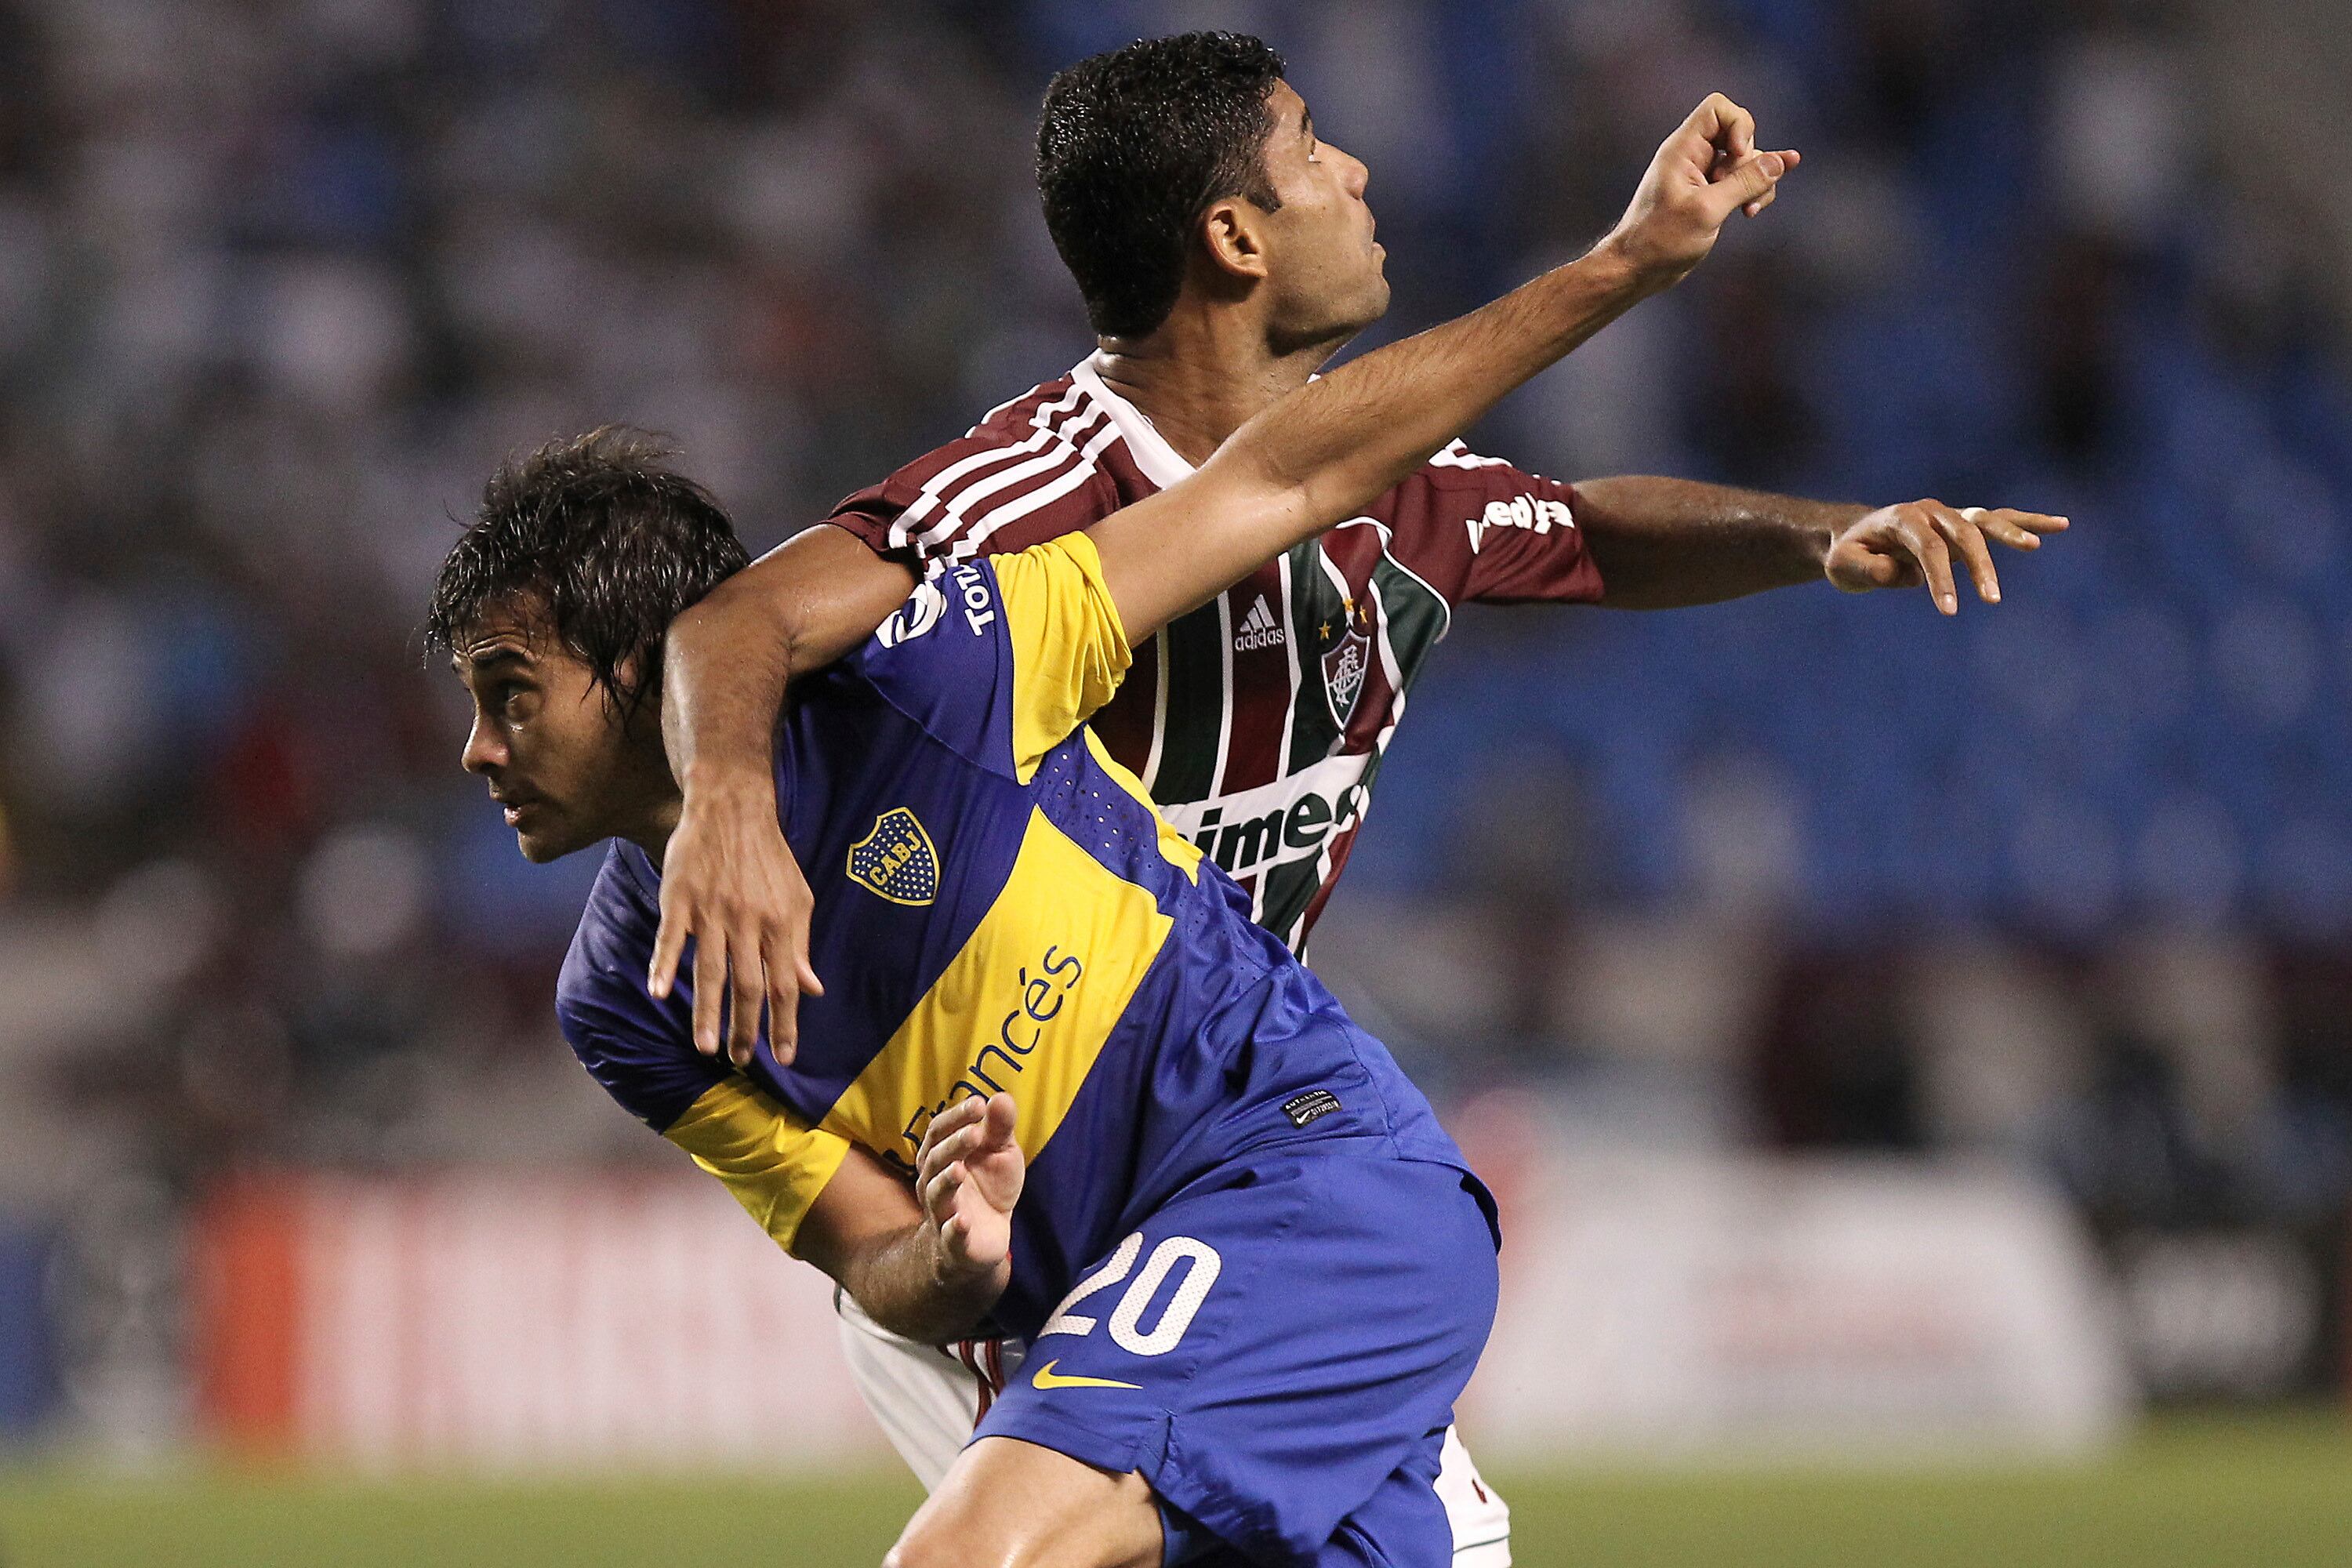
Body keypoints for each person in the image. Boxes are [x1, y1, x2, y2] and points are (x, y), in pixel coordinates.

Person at [647, 31, 2069, 1553]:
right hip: (1038, 1202)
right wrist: (728, 799)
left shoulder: (1391, 486)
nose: (1361, 173)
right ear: (1236, 235)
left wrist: (1817, 535)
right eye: (1316, 150)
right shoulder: (1030, 496)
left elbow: (1580, 529)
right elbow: (736, 620)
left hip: (1235, 1178)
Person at [433, 99, 1796, 1566]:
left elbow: (1287, 478)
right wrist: (948, 1254)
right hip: (1087, 1295)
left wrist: (1627, 264)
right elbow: (865, 1262)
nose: (479, 750)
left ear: (638, 666)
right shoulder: (619, 1006)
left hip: (1296, 1178)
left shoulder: (943, 669)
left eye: (514, 696)